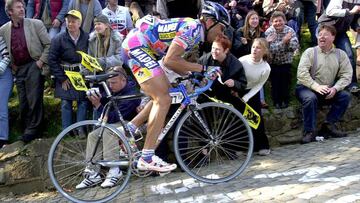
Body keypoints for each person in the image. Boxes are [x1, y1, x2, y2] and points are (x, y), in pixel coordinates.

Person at [121, 1, 229, 172]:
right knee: (163, 98)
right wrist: (203, 68)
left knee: (166, 92)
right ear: (209, 22)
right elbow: (171, 61)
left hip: (143, 47)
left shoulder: (194, 31)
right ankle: (147, 157)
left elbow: (172, 62)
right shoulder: (193, 28)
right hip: (137, 46)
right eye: (221, 28)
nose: (222, 34)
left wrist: (192, 72)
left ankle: (130, 128)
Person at [76, 66, 140, 189]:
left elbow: (115, 117)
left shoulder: (131, 93)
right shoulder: (113, 90)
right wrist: (95, 97)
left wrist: (98, 105)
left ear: (123, 80)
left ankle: (114, 169)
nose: (110, 86)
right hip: (115, 122)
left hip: (130, 122)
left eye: (113, 82)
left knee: (109, 131)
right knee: (93, 135)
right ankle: (93, 172)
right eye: (108, 83)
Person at [0, 0, 51, 143]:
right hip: (18, 68)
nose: (22, 9)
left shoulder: (36, 24)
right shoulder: (4, 29)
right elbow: (5, 49)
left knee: (34, 99)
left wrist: (40, 62)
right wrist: (12, 64)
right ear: (10, 12)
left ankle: (33, 131)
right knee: (23, 101)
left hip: (34, 64)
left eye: (22, 6)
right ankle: (27, 129)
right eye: (18, 7)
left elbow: (49, 45)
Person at [295, 24, 352, 144]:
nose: (321, 37)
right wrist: (316, 86)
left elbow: (347, 75)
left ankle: (328, 125)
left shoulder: (340, 54)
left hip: (328, 89)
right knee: (310, 98)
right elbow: (301, 74)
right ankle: (309, 132)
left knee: (345, 96)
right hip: (306, 88)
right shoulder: (310, 52)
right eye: (319, 35)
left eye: (325, 34)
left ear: (333, 37)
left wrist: (335, 89)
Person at [48, 10, 89, 130]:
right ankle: (66, 131)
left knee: (83, 102)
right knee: (66, 102)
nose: (70, 24)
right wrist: (61, 79)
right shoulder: (58, 38)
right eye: (68, 21)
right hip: (64, 73)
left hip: (81, 73)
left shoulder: (87, 37)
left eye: (73, 21)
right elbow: (52, 60)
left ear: (79, 23)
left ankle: (80, 130)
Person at [318, 0, 360, 93]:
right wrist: (351, 11)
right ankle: (318, 83)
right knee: (321, 55)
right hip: (326, 28)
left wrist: (356, 27)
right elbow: (330, 11)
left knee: (349, 55)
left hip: (340, 32)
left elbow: (353, 20)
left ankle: (351, 84)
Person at [239, 38, 271, 155]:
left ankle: (262, 145)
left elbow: (259, 85)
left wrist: (247, 97)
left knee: (255, 118)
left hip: (252, 92)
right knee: (240, 118)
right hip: (238, 90)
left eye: (258, 48)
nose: (254, 50)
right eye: (253, 47)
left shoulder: (266, 68)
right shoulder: (242, 60)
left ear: (264, 51)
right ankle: (244, 146)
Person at [265, 11, 299, 109]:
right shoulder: (269, 32)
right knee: (275, 82)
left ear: (284, 21)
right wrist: (284, 42)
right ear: (271, 22)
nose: (278, 23)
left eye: (280, 20)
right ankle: (276, 101)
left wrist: (281, 44)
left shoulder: (290, 30)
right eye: (275, 21)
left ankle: (285, 100)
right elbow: (270, 49)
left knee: (285, 81)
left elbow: (294, 46)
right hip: (273, 62)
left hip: (286, 61)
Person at [0, 36, 11, 149]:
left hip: (3, 75)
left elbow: (7, 55)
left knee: (1, 107)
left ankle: (3, 139)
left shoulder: (0, 38)